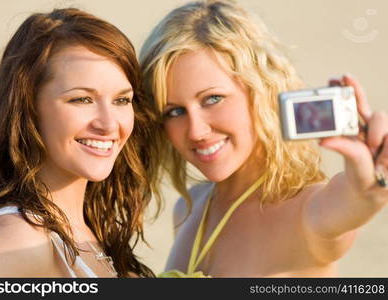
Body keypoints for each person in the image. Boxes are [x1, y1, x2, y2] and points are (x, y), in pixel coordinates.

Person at [140, 0, 388, 277]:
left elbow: (352, 201)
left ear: (262, 92)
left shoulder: (306, 213)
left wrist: (370, 190)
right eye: (174, 111)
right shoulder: (188, 209)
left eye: (212, 99)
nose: (196, 130)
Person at [0, 7, 160, 277]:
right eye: (81, 99)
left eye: (121, 100)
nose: (109, 124)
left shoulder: (86, 231)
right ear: (28, 108)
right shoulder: (18, 238)